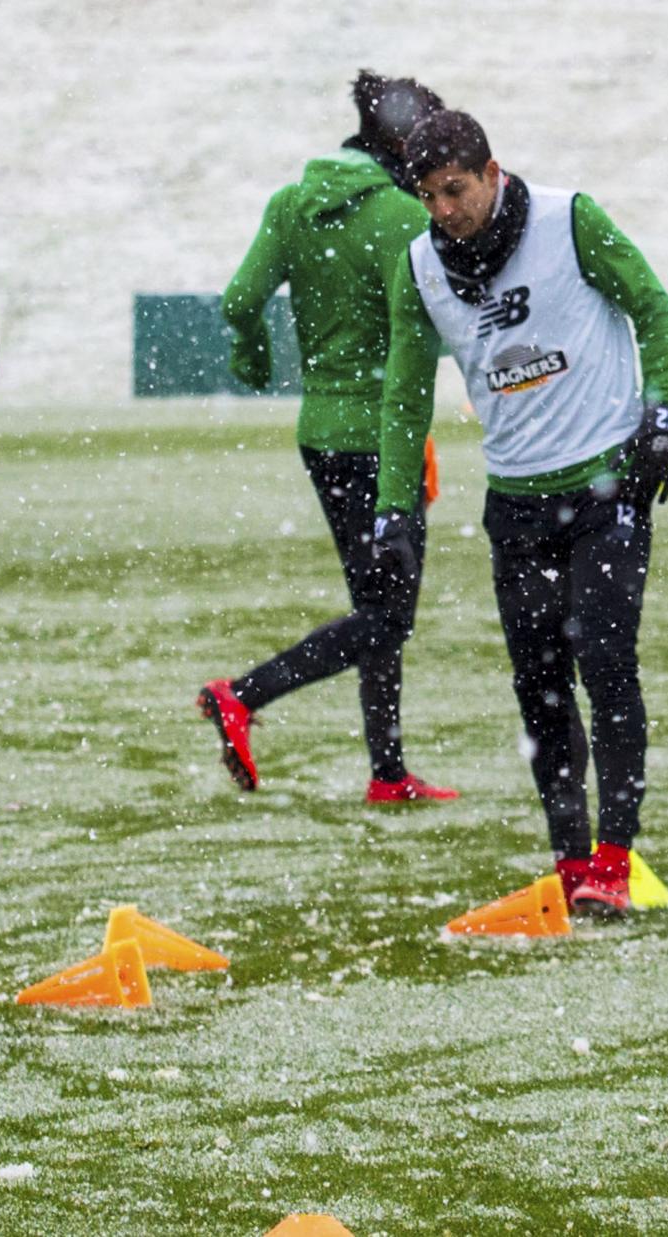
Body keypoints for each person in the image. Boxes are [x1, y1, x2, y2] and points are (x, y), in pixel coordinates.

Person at [372, 109, 668, 913]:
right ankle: (570, 857)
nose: (444, 210)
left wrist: (662, 413)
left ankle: (615, 855)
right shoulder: (421, 267)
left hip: (605, 486)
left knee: (607, 662)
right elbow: (405, 399)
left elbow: (655, 311)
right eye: (428, 196)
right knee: (538, 684)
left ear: (492, 172)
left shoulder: (569, 219)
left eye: (456, 190)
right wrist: (395, 509)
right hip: (515, 502)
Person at [197, 71, 461, 804]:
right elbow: (425, 333)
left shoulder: (291, 205)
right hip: (387, 437)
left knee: (374, 602)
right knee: (387, 612)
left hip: (320, 433)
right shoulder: (405, 218)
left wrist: (252, 360)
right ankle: (243, 695)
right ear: (404, 143)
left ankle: (388, 771)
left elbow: (241, 299)